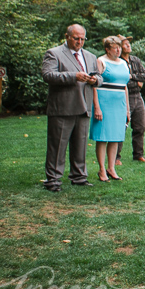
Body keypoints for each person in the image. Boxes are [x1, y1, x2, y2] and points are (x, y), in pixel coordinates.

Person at [41, 24, 101, 191]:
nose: (79, 42)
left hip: (83, 107)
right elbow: (48, 75)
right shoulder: (54, 53)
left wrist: (94, 80)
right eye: (76, 38)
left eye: (82, 39)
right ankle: (53, 180)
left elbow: (99, 77)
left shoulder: (90, 56)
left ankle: (79, 176)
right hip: (62, 107)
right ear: (67, 37)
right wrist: (74, 76)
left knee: (80, 145)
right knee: (58, 146)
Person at [90, 36, 130, 182]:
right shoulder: (101, 61)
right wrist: (97, 107)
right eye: (115, 47)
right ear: (107, 49)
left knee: (115, 137)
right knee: (103, 137)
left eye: (119, 47)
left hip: (119, 102)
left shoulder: (124, 63)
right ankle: (101, 169)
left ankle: (111, 167)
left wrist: (127, 109)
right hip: (104, 101)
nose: (118, 50)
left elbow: (125, 86)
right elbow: (94, 84)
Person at [119, 36, 145, 163]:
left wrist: (132, 76)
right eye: (125, 44)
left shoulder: (135, 60)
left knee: (140, 126)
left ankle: (138, 154)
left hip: (138, 96)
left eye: (128, 44)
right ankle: (116, 157)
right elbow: (122, 81)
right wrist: (136, 81)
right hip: (125, 96)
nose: (128, 46)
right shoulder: (118, 61)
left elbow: (144, 75)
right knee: (122, 126)